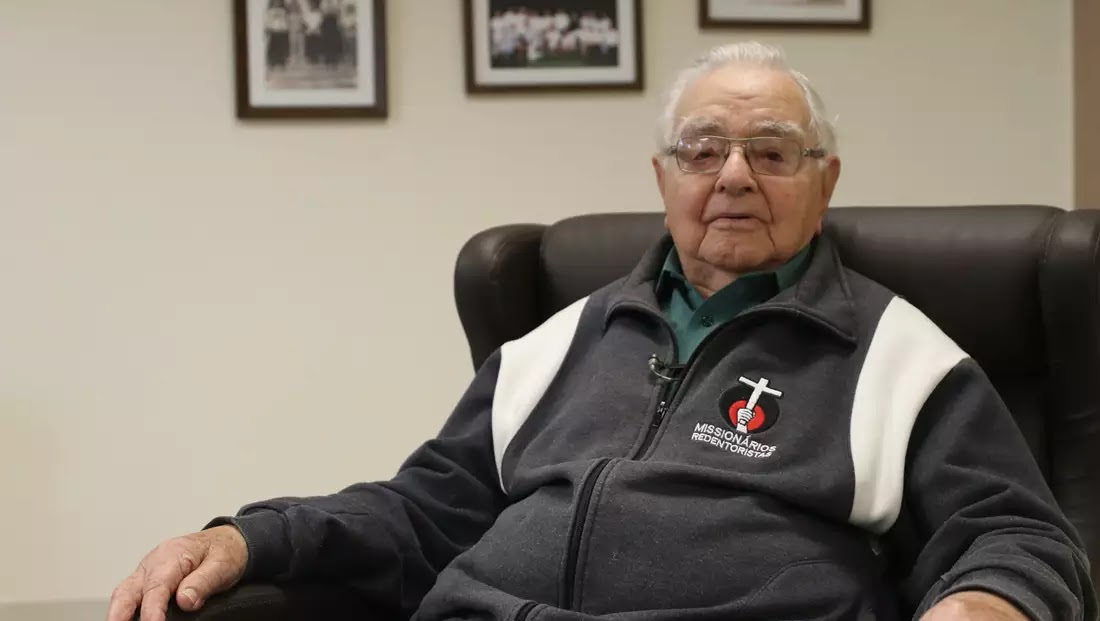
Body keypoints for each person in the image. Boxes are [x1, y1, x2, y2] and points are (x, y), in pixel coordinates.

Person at [107, 42, 1096, 621]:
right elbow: (421, 515)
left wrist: (984, 602)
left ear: (824, 180)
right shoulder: (554, 343)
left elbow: (1015, 532)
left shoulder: (899, 358)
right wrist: (248, 537)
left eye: (771, 152)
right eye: (701, 150)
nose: (734, 176)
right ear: (662, 177)